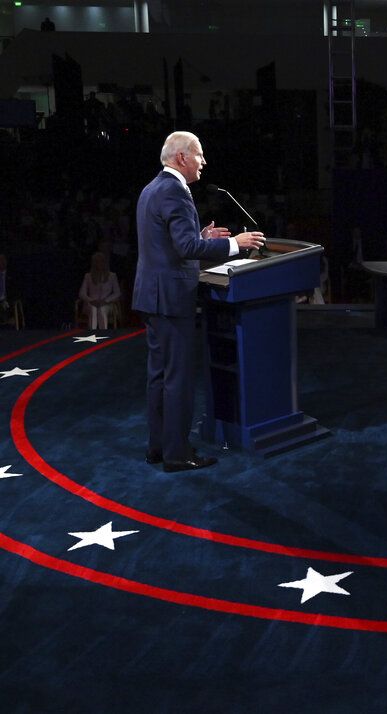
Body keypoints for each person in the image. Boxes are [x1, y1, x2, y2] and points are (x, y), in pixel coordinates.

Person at [133, 131, 264, 472]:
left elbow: (170, 243)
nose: (203, 161)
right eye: (199, 155)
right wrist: (235, 244)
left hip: (152, 296)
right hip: (171, 298)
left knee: (159, 376)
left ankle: (158, 447)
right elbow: (186, 248)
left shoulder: (151, 188)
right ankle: (177, 455)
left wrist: (201, 236)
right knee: (177, 379)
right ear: (182, 158)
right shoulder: (175, 191)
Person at [78, 252, 121, 329]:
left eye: (101, 261)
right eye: (97, 261)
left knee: (102, 309)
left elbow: (117, 293)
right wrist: (91, 301)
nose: (99, 264)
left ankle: (103, 333)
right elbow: (82, 293)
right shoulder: (88, 276)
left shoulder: (112, 276)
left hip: (107, 304)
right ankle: (92, 332)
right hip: (91, 303)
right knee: (93, 309)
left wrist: (105, 301)